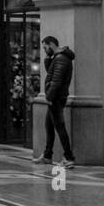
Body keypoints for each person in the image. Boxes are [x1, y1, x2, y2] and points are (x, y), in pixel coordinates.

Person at [37, 36, 76, 168]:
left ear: (51, 44)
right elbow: (51, 73)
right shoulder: (57, 58)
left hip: (56, 98)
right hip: (55, 97)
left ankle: (69, 157)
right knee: (49, 126)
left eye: (45, 47)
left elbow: (56, 81)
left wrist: (49, 97)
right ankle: (47, 155)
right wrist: (48, 59)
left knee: (60, 127)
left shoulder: (61, 59)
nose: (44, 50)